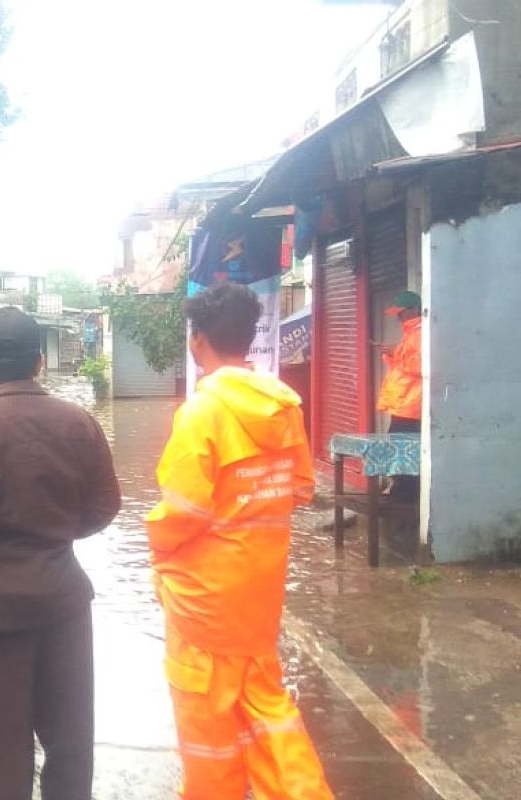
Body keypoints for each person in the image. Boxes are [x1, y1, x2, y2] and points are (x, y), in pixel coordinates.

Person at [145, 284, 332, 800]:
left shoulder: (202, 412)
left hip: (204, 593)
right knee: (267, 706)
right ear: (249, 338)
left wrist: (155, 547)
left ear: (197, 339)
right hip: (260, 588)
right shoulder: (284, 405)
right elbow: (299, 488)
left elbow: (183, 510)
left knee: (206, 719)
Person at [0, 307, 121, 800]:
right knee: (70, 744)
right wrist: (55, 533)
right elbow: (106, 505)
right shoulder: (79, 422)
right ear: (39, 362)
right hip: (64, 603)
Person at [376, 290, 422, 498]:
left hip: (412, 406)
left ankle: (403, 495)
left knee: (403, 452)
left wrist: (396, 353)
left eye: (401, 313)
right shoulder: (411, 334)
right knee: (398, 449)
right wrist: (391, 353)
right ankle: (399, 491)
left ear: (414, 310)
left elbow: (422, 366)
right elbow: (404, 366)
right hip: (403, 404)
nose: (398, 317)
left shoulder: (420, 333)